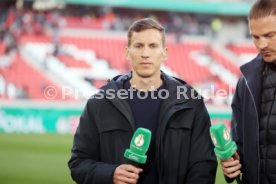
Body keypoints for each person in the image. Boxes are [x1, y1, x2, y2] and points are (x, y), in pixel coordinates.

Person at [68, 18, 217, 184]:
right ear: (127, 52)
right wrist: (110, 174)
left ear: (165, 52)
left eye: (153, 46)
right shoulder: (100, 102)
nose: (145, 53)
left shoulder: (190, 102)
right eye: (138, 46)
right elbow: (78, 163)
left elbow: (204, 165)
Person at [220, 0, 276, 183]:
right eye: (256, 37)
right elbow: (239, 145)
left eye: (270, 35)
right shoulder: (246, 82)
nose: (262, 45)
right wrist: (232, 163)